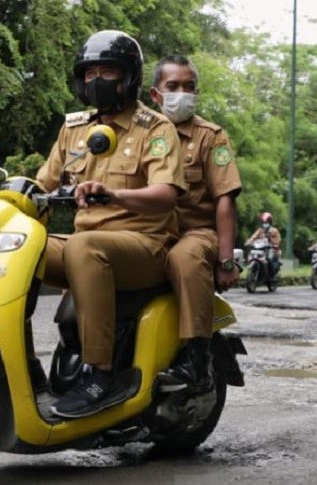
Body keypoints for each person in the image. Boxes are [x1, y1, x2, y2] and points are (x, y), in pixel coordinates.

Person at [36, 30, 185, 418]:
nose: (97, 80)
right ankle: (20, 366)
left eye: (108, 71)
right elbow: (42, 184)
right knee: (21, 247)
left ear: (129, 77)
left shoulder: (154, 128)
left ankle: (99, 375)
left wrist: (115, 195)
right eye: (90, 73)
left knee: (85, 247)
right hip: (86, 244)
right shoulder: (75, 129)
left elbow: (166, 194)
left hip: (144, 246)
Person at [148, 54, 242, 395]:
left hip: (195, 233)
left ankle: (197, 361)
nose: (181, 93)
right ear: (155, 94)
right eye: (172, 86)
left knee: (184, 257)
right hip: (147, 234)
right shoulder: (140, 134)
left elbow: (225, 200)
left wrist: (226, 259)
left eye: (189, 87)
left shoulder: (210, 137)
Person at [245, 212, 282, 277]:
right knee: (252, 256)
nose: (265, 224)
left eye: (267, 222)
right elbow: (254, 237)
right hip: (261, 249)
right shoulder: (260, 230)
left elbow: (278, 240)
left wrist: (273, 242)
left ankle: (272, 276)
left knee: (269, 259)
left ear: (270, 222)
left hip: (271, 249)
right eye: (264, 222)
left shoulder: (274, 230)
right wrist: (249, 241)